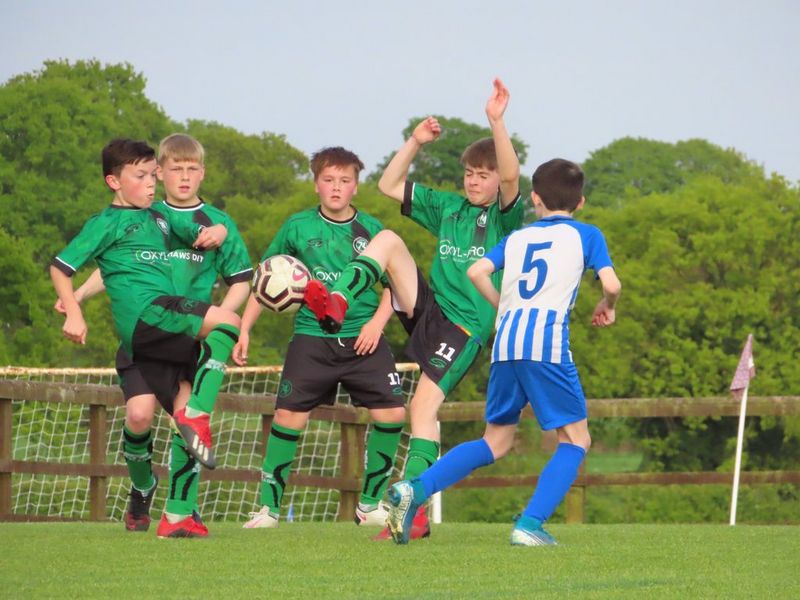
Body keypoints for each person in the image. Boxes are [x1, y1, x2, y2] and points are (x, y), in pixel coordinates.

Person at [304, 79, 524, 539]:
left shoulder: (504, 217)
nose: (474, 180)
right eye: (469, 173)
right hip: (428, 309)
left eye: (482, 175)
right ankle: (340, 297)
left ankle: (416, 509)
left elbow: (509, 177)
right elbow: (387, 184)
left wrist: (497, 121)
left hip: (464, 326)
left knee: (422, 410)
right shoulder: (448, 207)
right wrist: (416, 142)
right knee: (386, 240)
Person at [386, 158, 622, 545]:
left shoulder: (518, 238)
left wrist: (504, 307)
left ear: (534, 199)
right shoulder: (587, 234)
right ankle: (530, 524)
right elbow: (610, 283)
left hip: (506, 345)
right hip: (545, 344)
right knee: (577, 439)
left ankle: (416, 488)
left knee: (495, 441)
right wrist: (607, 306)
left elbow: (477, 270)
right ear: (580, 202)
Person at [60, 134, 252, 537]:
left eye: (191, 169)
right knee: (139, 415)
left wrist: (217, 231)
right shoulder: (145, 212)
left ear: (203, 172)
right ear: (159, 173)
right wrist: (75, 298)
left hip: (189, 332)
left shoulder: (189, 220)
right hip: (147, 330)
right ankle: (142, 486)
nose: (181, 177)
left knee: (188, 419)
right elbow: (110, 263)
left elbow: (241, 280)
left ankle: (180, 513)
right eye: (169, 170)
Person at [233, 147, 406, 529]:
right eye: (328, 180)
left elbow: (396, 288)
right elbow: (266, 280)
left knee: (392, 413)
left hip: (363, 338)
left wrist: (377, 324)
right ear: (316, 185)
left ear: (356, 188)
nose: (336, 187)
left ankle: (369, 505)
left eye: (345, 181)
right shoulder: (297, 227)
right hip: (312, 337)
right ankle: (268, 510)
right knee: (288, 417)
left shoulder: (374, 231)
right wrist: (244, 328)